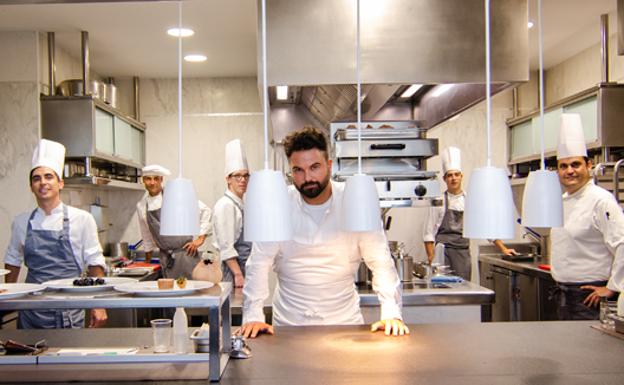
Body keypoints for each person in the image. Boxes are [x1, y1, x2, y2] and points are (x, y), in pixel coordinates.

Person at [240, 127, 408, 338]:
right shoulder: (279, 204)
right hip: (289, 324)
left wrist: (392, 312)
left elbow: (380, 260)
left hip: (344, 324)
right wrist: (253, 315)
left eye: (314, 167)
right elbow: (258, 263)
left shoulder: (354, 200)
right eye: (298, 170)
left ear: (329, 165)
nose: (307, 177)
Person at [4, 139, 107, 329]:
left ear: (60, 183)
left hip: (69, 310)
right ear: (31, 187)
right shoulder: (21, 222)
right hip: (31, 312)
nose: (43, 182)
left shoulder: (82, 219)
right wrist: (4, 303)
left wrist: (98, 303)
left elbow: (94, 262)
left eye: (49, 176)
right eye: (36, 178)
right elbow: (12, 261)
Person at [550, 113, 624, 320]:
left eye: (575, 164)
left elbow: (622, 244)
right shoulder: (562, 201)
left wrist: (612, 287)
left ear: (588, 165)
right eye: (563, 166)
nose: (569, 171)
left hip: (588, 297)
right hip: (563, 294)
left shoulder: (601, 200)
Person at [423, 147, 515, 280]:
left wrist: (504, 249)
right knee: (442, 289)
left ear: (461, 176)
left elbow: (486, 227)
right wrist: (431, 258)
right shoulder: (438, 201)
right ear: (444, 179)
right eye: (449, 175)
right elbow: (428, 233)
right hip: (442, 254)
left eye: (456, 174)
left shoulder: (470, 200)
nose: (453, 178)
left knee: (463, 290)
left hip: (463, 253)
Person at [136, 164, 213, 279]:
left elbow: (206, 211)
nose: (152, 183)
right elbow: (147, 236)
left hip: (187, 256)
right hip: (166, 259)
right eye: (148, 179)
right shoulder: (142, 206)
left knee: (192, 291)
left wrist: (200, 239)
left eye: (156, 178)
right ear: (143, 181)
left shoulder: (176, 196)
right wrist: (147, 263)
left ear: (161, 180)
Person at [212, 139, 251, 288]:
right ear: (228, 179)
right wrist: (238, 274)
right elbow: (226, 247)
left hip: (242, 268)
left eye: (246, 176)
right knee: (234, 310)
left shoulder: (239, 204)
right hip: (233, 271)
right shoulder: (226, 206)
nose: (243, 180)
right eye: (237, 176)